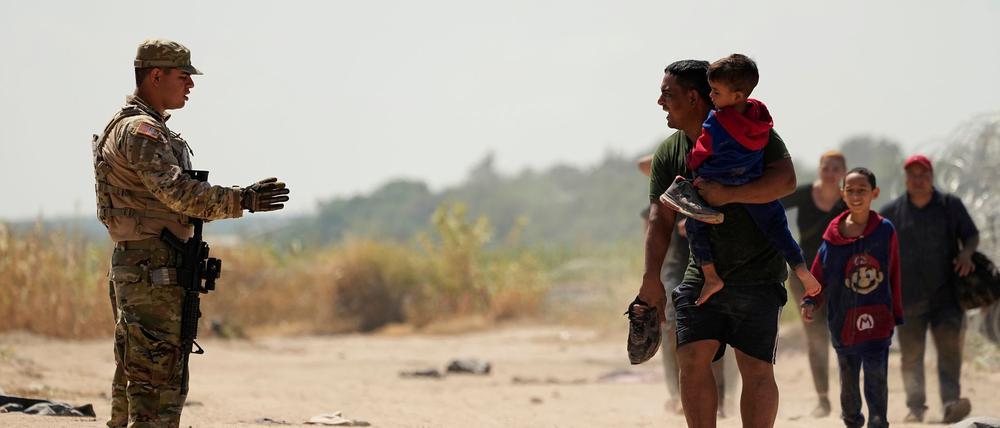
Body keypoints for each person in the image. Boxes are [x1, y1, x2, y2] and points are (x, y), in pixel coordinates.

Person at [93, 39, 290, 427]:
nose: (190, 86)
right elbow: (179, 194)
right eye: (183, 77)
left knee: (139, 379)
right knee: (156, 387)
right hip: (150, 271)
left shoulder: (145, 128)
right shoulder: (140, 130)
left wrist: (238, 199)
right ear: (155, 75)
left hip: (151, 267)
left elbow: (173, 202)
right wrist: (244, 200)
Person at [633, 59, 797, 428]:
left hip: (758, 272)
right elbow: (660, 220)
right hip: (702, 271)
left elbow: (785, 181)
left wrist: (729, 193)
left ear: (693, 98)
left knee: (755, 367)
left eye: (667, 94)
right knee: (690, 356)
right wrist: (650, 280)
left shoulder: (751, 132)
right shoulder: (669, 152)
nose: (660, 102)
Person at [659, 54, 821, 307]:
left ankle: (711, 277)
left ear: (735, 95)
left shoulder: (716, 120)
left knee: (694, 223)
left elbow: (704, 148)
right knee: (779, 228)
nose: (711, 97)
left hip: (716, 180)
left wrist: (693, 163)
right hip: (753, 178)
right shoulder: (759, 116)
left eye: (715, 91)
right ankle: (802, 270)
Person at [801, 167, 903, 428]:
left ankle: (878, 421)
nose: (856, 196)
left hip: (878, 319)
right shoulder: (833, 235)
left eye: (863, 190)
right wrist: (811, 300)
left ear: (875, 193)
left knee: (877, 376)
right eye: (851, 191)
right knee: (848, 380)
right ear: (842, 195)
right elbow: (819, 273)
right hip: (843, 321)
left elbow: (894, 274)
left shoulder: (885, 231)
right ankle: (852, 420)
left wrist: (896, 313)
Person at [880, 154, 979, 423]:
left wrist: (967, 254)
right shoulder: (892, 212)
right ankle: (916, 407)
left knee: (949, 353)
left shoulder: (950, 206)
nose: (918, 180)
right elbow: (876, 244)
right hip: (907, 296)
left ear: (932, 177)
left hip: (947, 296)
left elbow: (971, 234)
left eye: (923, 175)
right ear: (906, 179)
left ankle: (950, 404)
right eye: (913, 175)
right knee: (911, 356)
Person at [638, 155, 737, 417]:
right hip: (674, 271)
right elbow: (643, 164)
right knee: (671, 330)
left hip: (712, 269)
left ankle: (721, 400)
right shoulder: (662, 200)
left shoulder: (709, 188)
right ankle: (677, 395)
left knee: (715, 335)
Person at [780, 150, 848, 417]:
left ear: (843, 171)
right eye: (825, 167)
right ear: (819, 169)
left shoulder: (849, 200)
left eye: (835, 168)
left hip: (840, 278)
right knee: (815, 336)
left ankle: (848, 396)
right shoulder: (805, 193)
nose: (829, 172)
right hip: (804, 274)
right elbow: (770, 207)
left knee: (843, 336)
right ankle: (822, 399)